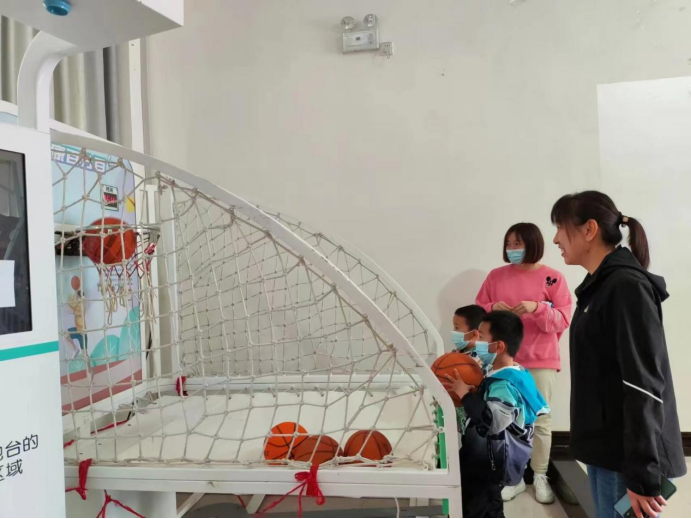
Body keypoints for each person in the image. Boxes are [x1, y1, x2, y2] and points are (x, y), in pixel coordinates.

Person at [551, 191, 686, 519]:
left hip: (626, 457)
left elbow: (643, 384)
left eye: (560, 228)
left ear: (589, 229)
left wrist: (641, 473)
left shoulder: (626, 286)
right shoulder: (600, 286)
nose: (555, 239)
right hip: (607, 449)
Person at [476, 223, 572, 504]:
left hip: (541, 359)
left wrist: (538, 308)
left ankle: (540, 475)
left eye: (517, 243)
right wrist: (492, 308)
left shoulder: (552, 279)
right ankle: (514, 477)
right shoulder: (495, 276)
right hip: (503, 359)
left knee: (540, 419)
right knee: (505, 419)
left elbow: (563, 319)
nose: (512, 249)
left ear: (533, 243)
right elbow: (478, 312)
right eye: (509, 244)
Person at [444, 311, 549, 519]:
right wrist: (476, 394)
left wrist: (465, 395)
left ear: (499, 346)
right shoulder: (511, 373)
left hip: (489, 463)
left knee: (478, 506)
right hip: (485, 459)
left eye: (482, 337)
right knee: (488, 505)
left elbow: (493, 421)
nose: (477, 342)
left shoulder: (504, 383)